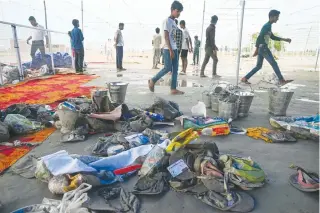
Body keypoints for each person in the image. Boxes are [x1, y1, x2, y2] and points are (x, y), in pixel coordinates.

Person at [241, 10, 293, 85]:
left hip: (262, 48)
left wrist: (284, 39)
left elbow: (272, 37)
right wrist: (256, 49)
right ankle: (281, 80)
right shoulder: (266, 26)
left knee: (258, 66)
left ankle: (245, 78)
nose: (278, 19)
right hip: (263, 48)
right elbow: (259, 37)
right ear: (272, 17)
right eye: (277, 17)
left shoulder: (269, 26)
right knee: (274, 64)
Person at [148, 1, 184, 95]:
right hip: (168, 49)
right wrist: (171, 50)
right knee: (167, 68)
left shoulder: (174, 22)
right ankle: (153, 80)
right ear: (172, 10)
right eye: (178, 11)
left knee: (175, 69)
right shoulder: (167, 21)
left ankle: (173, 89)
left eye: (180, 11)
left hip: (174, 48)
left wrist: (175, 49)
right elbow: (166, 37)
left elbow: (173, 37)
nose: (179, 13)